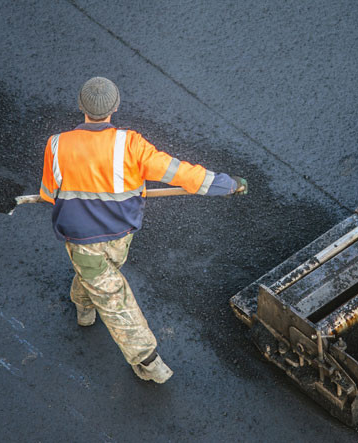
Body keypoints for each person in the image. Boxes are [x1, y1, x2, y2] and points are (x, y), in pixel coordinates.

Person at [39, 77, 247, 384]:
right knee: (113, 297)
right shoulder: (131, 144)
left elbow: (47, 193)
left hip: (82, 241)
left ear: (81, 107)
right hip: (121, 235)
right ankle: (147, 360)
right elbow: (182, 173)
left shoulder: (56, 145)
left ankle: (84, 304)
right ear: (116, 107)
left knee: (100, 279)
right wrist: (227, 185)